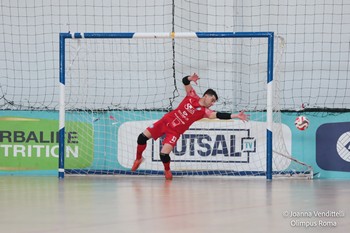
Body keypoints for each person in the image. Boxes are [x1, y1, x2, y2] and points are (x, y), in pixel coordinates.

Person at [131, 73, 249, 180]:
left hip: (175, 131)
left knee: (163, 154)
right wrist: (190, 78)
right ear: (206, 96)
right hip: (165, 121)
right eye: (212, 100)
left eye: (214, 102)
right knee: (141, 138)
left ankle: (167, 170)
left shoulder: (204, 112)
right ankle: (138, 158)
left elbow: (219, 115)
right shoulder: (191, 95)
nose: (212, 103)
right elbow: (185, 81)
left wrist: (236, 115)